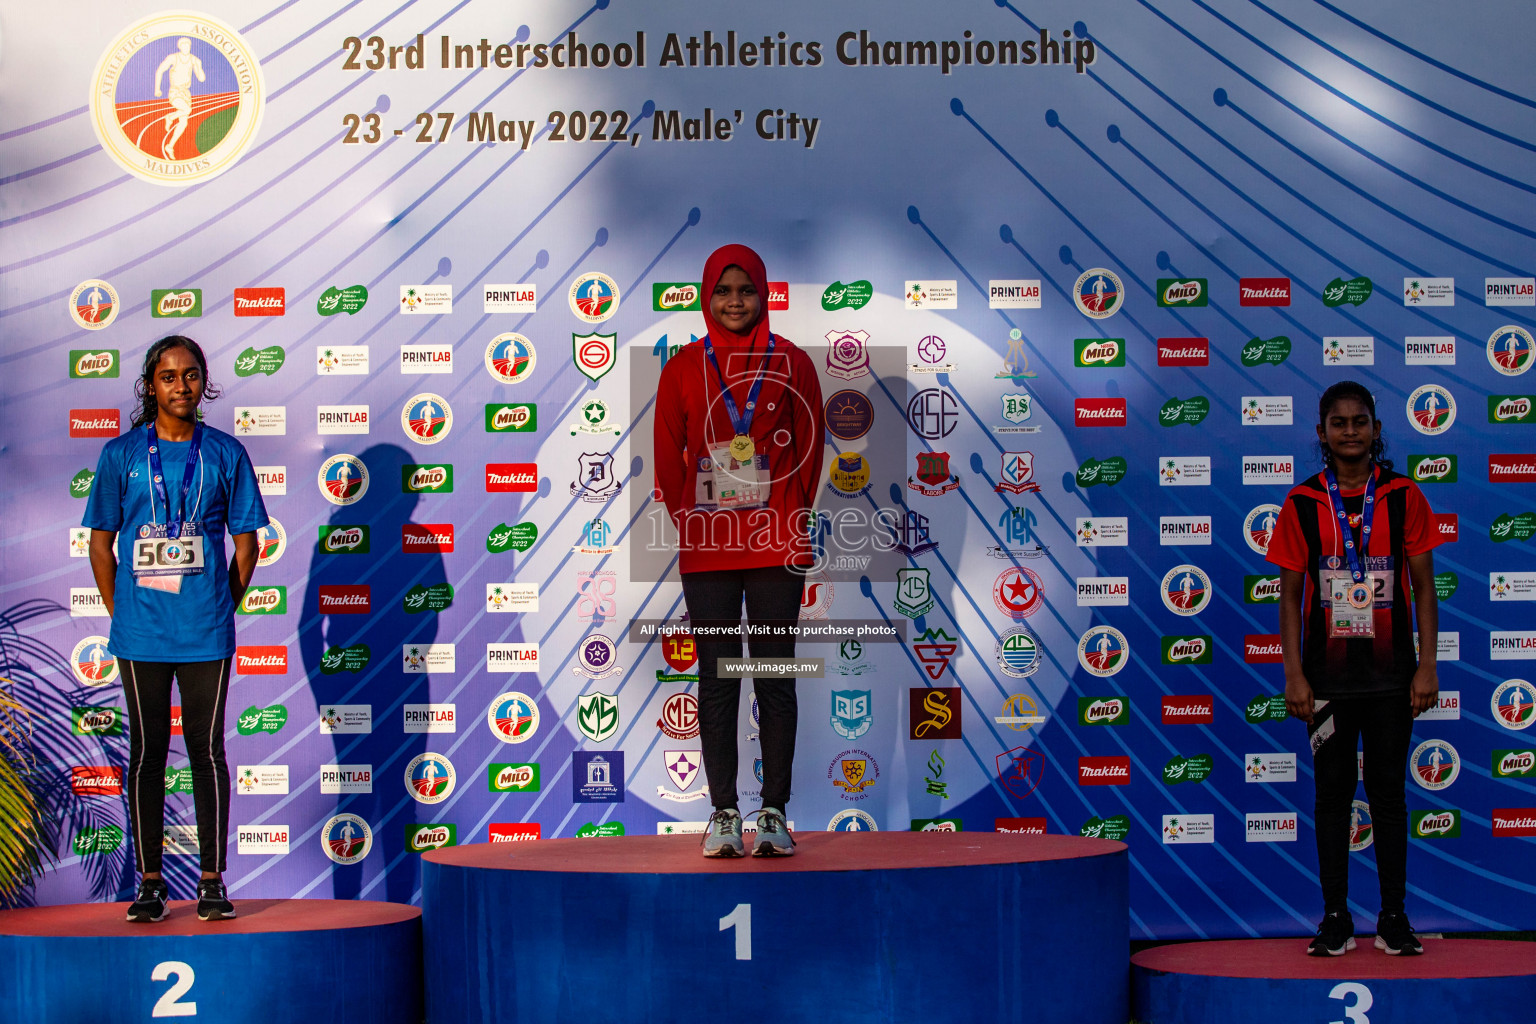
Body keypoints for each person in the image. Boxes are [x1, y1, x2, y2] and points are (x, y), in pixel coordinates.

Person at [84, 336, 268, 922]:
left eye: (191, 376)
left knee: (206, 752)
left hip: (205, 630)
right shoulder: (120, 456)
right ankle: (151, 882)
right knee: (148, 754)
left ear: (204, 382)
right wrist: (124, 612)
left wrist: (220, 603)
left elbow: (245, 544)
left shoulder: (225, 453)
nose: (181, 386)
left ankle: (212, 881)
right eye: (169, 377)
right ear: (150, 385)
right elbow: (100, 541)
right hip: (141, 634)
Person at [654, 244, 825, 857]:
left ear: (762, 294)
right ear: (707, 295)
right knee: (719, 679)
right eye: (723, 290)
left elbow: (811, 451)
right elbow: (667, 461)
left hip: (777, 543)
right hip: (709, 550)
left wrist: (793, 520)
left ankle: (774, 813)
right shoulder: (681, 370)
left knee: (775, 680)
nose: (734, 302)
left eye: (745, 290)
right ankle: (723, 813)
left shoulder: (794, 363)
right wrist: (695, 524)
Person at [1265, 381, 1441, 957]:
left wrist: (1427, 668)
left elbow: (1423, 587)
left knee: (1389, 795)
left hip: (1393, 678)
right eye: (1338, 423)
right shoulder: (1302, 503)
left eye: (1359, 421)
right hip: (1327, 682)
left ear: (1375, 429)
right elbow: (1289, 597)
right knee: (1332, 798)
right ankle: (1335, 918)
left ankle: (1394, 918)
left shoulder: (1403, 495)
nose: (1349, 431)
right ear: (1321, 434)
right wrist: (1294, 675)